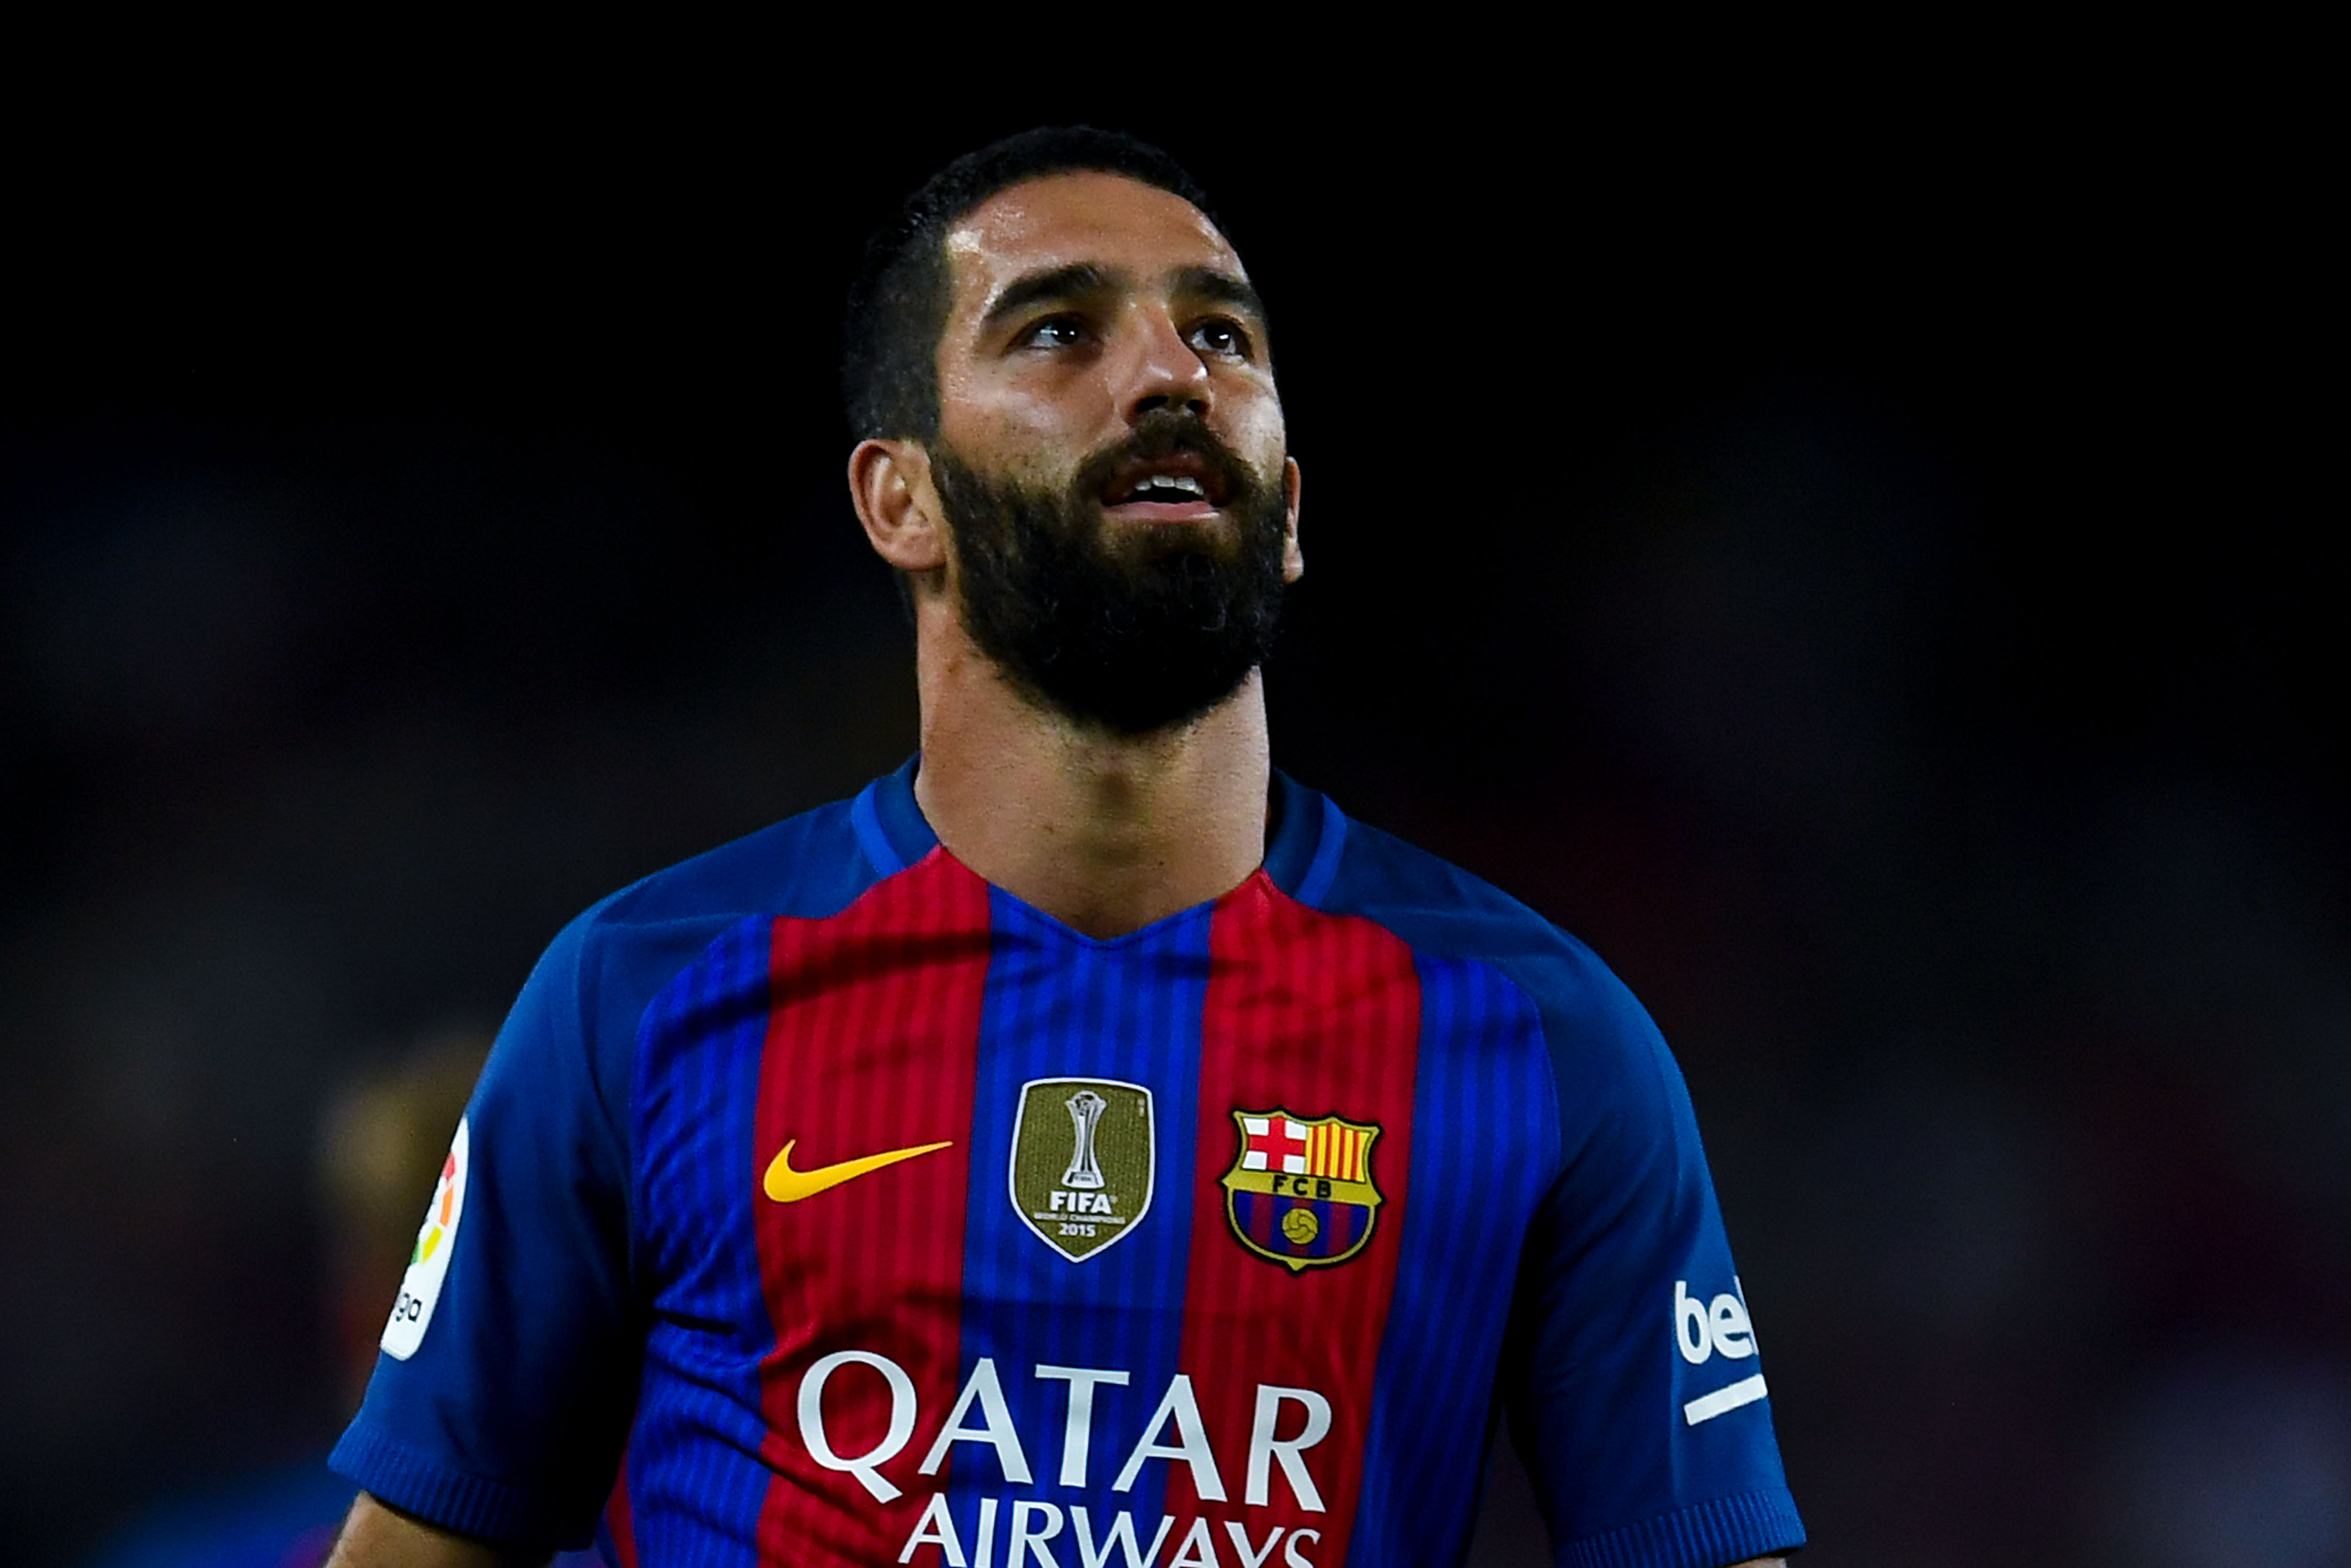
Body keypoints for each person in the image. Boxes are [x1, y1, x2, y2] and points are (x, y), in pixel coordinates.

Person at [322, 127, 1806, 1568]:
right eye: (1058, 332)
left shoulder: (1543, 1038)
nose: (1169, 374)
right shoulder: (636, 998)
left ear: (1287, 507)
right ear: (898, 498)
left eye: (1220, 336)